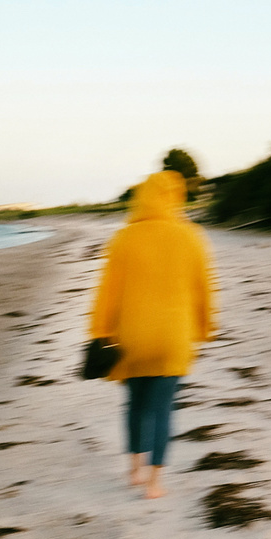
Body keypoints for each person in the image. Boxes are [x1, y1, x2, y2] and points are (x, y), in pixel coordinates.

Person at [89, 169, 217, 499]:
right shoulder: (191, 236)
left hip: (133, 338)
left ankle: (134, 469)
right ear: (176, 197)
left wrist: (100, 331)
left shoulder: (123, 238)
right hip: (174, 337)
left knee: (135, 406)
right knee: (162, 409)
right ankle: (154, 483)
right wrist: (204, 329)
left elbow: (108, 294)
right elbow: (203, 289)